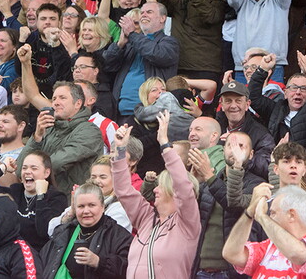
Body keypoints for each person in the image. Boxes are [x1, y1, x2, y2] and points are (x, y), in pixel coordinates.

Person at [112, 113, 201, 279]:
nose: (155, 190)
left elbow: (184, 186)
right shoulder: (145, 218)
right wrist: (120, 150)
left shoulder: (187, 223)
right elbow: (123, 190)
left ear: (173, 190)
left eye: (161, 185)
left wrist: (165, 145)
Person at [223, 183, 306, 278]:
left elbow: (297, 254)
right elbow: (231, 254)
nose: (270, 217)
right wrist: (250, 213)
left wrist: (262, 217)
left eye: (273, 213)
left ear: (291, 215)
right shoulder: (269, 246)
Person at [18, 81, 104, 195]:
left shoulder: (89, 131)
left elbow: (57, 163)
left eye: (62, 98)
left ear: (78, 103)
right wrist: (37, 137)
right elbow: (20, 170)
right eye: (54, 99)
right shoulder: (48, 129)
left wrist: (29, 170)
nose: (56, 103)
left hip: (72, 202)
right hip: (43, 198)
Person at [39, 182, 131, 278]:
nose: (86, 211)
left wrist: (99, 262)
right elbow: (42, 263)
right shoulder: (63, 232)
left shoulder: (118, 235)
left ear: (103, 207)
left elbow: (129, 268)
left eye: (91, 205)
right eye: (81, 206)